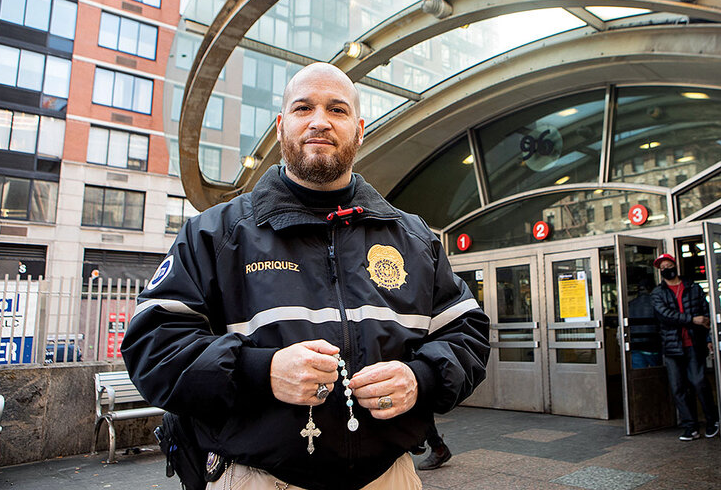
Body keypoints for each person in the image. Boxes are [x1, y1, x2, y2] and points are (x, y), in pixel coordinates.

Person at [121, 63, 490, 490]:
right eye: (303, 108)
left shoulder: (413, 237)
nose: (320, 121)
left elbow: (469, 334)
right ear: (281, 127)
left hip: (388, 477)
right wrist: (261, 371)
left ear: (359, 129)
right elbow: (154, 346)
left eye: (337, 109)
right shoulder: (215, 234)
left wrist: (419, 378)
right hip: (257, 479)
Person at [649, 253, 719, 441]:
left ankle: (713, 421)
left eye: (668, 265)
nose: (665, 269)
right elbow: (665, 315)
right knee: (678, 388)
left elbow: (705, 314)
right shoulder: (657, 293)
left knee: (699, 382)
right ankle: (690, 427)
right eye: (661, 267)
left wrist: (709, 338)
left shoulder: (694, 288)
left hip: (694, 344)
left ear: (675, 265)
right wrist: (691, 319)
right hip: (672, 348)